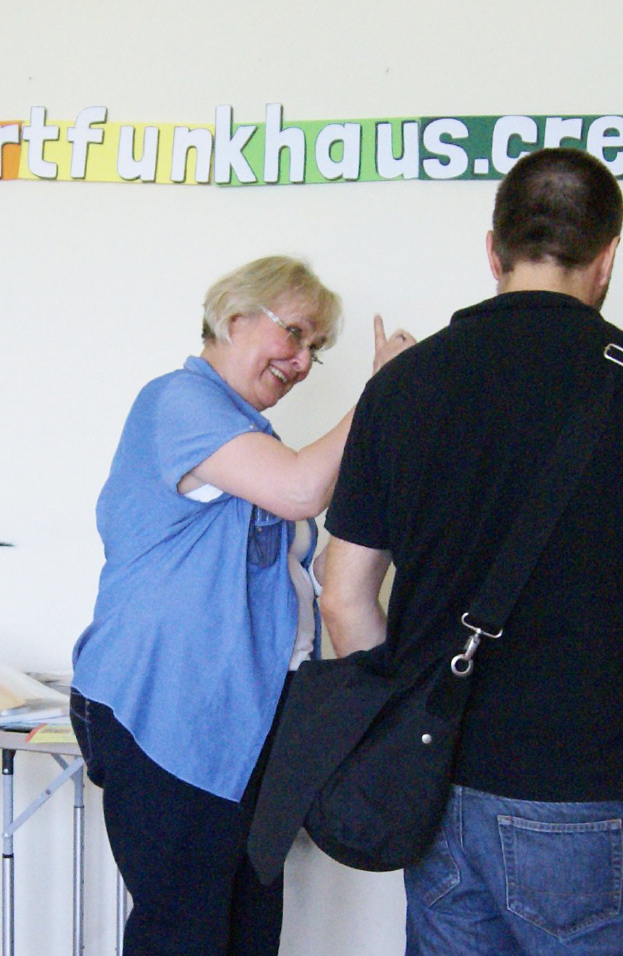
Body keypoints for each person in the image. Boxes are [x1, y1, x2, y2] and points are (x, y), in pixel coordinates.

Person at [320, 148, 623, 956]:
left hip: (437, 796)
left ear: (492, 251)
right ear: (608, 257)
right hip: (582, 789)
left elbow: (343, 595)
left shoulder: (400, 384)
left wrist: (409, 730)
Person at [69, 254, 412, 956]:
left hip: (244, 718)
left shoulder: (248, 433)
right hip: (170, 715)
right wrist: (381, 392)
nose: (303, 361)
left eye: (316, 348)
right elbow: (299, 489)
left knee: (248, 929)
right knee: (187, 933)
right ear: (233, 318)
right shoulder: (179, 403)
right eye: (295, 334)